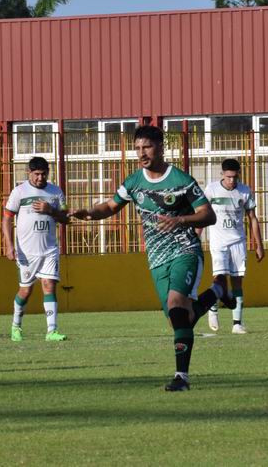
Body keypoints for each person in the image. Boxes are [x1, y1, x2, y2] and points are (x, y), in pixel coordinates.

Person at [72, 125, 234, 391]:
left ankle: (181, 377)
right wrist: (88, 213)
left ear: (161, 147)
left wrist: (180, 219)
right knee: (181, 319)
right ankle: (217, 290)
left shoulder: (181, 180)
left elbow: (209, 215)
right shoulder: (134, 182)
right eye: (137, 148)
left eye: (146, 147)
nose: (141, 153)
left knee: (176, 304)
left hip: (185, 251)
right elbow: (111, 206)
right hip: (157, 260)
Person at [3, 156, 70, 342]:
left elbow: (65, 219)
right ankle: (16, 326)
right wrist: (9, 245)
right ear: (29, 173)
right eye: (36, 174)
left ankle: (52, 331)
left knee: (49, 286)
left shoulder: (56, 192)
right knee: (25, 291)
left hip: (49, 250)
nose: (40, 178)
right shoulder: (19, 192)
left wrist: (51, 210)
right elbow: (7, 218)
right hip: (26, 252)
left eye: (43, 174)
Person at [200, 159, 264, 334]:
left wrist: (259, 245)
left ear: (239, 175)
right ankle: (213, 309)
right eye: (228, 177)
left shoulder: (244, 191)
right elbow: (202, 214)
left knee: (237, 281)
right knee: (219, 277)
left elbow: (252, 218)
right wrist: (196, 237)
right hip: (218, 242)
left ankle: (237, 323)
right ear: (222, 174)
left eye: (235, 177)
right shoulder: (212, 190)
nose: (231, 181)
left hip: (238, 242)